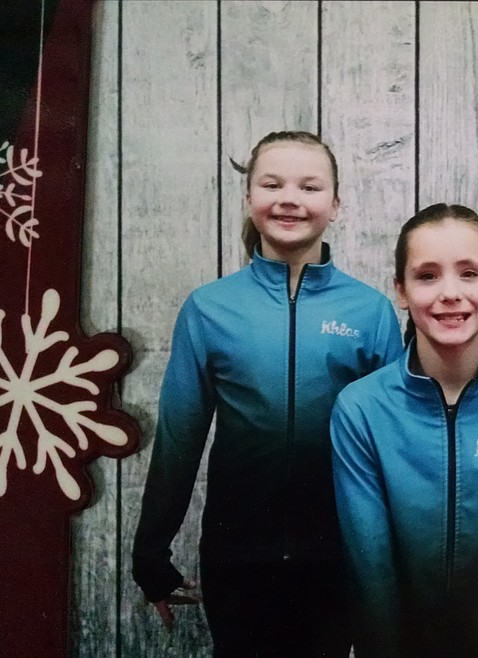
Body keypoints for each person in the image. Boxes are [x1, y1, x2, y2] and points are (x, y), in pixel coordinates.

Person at [131, 130, 403, 656]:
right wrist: (150, 555)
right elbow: (179, 439)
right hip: (238, 554)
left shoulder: (369, 312)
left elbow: (393, 444)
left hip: (338, 554)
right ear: (249, 197)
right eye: (272, 184)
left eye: (309, 186)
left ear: (336, 204)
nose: (289, 199)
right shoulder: (209, 308)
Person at [330, 203, 478, 657]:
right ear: (400, 290)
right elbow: (371, 564)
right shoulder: (360, 410)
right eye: (427, 276)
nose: (450, 293)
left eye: (468, 273)